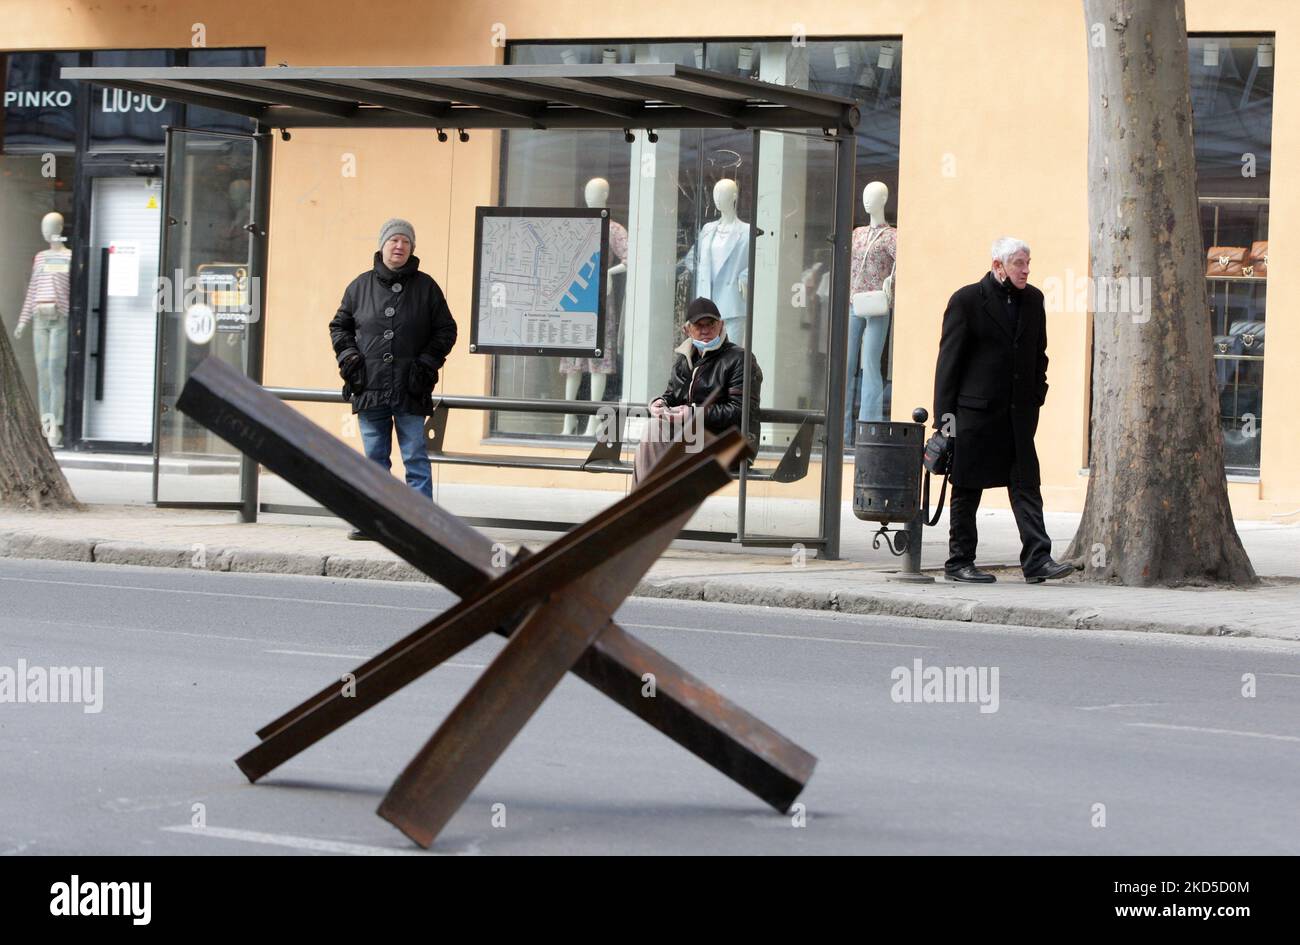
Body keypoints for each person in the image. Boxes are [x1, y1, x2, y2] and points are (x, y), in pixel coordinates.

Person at [932, 237, 1073, 584]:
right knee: (966, 488)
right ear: (998, 266)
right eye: (1019, 264)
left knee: (1027, 486)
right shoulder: (966, 301)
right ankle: (959, 562)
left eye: (1028, 263)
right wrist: (944, 423)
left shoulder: (1034, 300)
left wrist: (1037, 394)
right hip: (974, 418)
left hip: (1017, 417)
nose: (1026, 270)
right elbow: (948, 365)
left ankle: (1037, 559)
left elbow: (1040, 355)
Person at [329, 218, 457, 539]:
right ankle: (374, 521)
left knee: (414, 456)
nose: (399, 246)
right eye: (393, 241)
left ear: (412, 248)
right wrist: (350, 359)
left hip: (411, 388)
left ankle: (421, 523)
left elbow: (446, 330)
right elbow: (339, 327)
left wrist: (427, 363)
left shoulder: (426, 288)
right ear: (382, 245)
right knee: (374, 458)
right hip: (369, 387)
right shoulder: (359, 287)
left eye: (405, 242)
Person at [634, 297, 762, 485]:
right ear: (687, 329)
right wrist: (659, 404)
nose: (705, 330)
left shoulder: (740, 359)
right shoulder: (683, 360)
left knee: (654, 436)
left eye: (711, 324)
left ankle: (643, 509)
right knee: (654, 431)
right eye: (698, 325)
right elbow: (672, 396)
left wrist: (693, 413)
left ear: (721, 325)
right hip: (692, 441)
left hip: (730, 444)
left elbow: (740, 411)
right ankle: (648, 508)